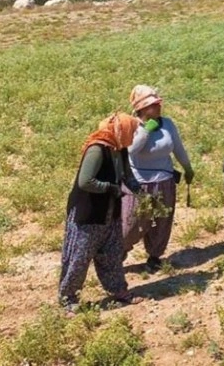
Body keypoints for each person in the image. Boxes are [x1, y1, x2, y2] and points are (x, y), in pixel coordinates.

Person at [60, 112, 144, 314]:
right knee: (80, 257)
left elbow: (127, 176)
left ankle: (118, 291)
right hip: (88, 214)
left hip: (109, 212)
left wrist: (141, 192)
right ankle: (68, 298)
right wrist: (110, 188)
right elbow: (85, 181)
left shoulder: (120, 149)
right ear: (121, 130)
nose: (133, 137)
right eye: (131, 132)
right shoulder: (97, 149)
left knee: (112, 254)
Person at [121, 85, 194, 273]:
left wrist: (187, 168)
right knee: (132, 223)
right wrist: (146, 130)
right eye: (152, 105)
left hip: (164, 180)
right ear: (142, 109)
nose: (158, 107)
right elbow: (131, 150)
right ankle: (117, 255)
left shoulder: (168, 124)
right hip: (138, 183)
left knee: (162, 220)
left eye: (158, 104)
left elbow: (178, 148)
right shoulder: (132, 124)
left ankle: (154, 256)